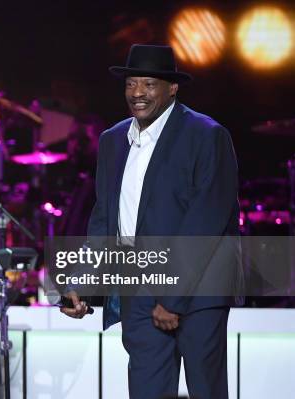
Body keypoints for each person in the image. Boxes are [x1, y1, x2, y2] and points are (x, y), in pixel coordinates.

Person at [60, 45, 240, 398]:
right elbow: (105, 223)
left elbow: (206, 221)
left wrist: (172, 297)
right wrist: (82, 283)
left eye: (148, 83)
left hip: (197, 291)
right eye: (131, 83)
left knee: (206, 388)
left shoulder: (206, 135)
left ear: (172, 88)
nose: (137, 93)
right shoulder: (113, 141)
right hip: (137, 287)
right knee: (147, 390)